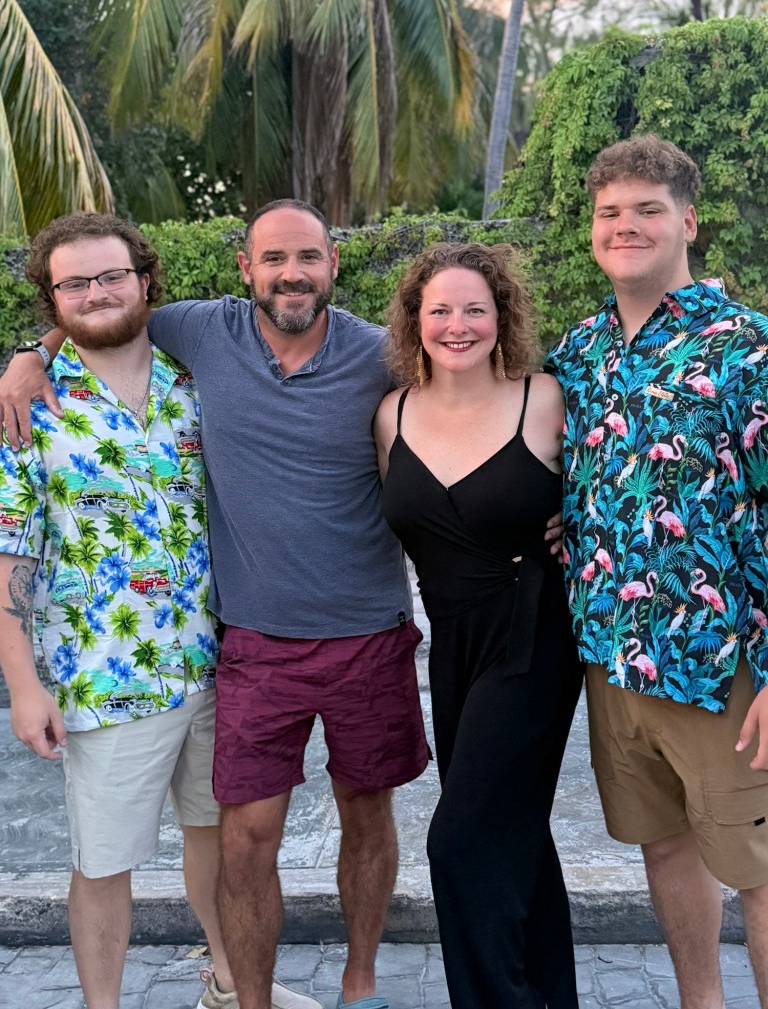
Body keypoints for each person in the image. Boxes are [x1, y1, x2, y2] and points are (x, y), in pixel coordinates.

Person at [0, 212, 324, 1009]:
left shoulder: (199, 377)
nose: (97, 293)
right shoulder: (28, 407)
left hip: (219, 663)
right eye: (75, 283)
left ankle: (228, 984)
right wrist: (24, 687)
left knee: (218, 839)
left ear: (145, 281)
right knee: (103, 864)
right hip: (103, 678)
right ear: (52, 297)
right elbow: (9, 556)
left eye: (112, 275)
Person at [547, 134, 768, 1009]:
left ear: (689, 221)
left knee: (758, 870)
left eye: (647, 209)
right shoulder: (580, 353)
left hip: (723, 665)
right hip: (614, 659)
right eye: (610, 212)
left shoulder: (746, 347)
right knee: (666, 847)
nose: (625, 226)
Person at [374, 242, 583, 1008]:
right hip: (452, 645)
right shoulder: (392, 415)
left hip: (533, 640)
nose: (457, 325)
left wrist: (577, 525)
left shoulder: (545, 399)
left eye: (474, 309)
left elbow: (617, 492)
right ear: (414, 321)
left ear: (503, 316)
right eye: (440, 310)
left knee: (458, 841)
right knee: (512, 832)